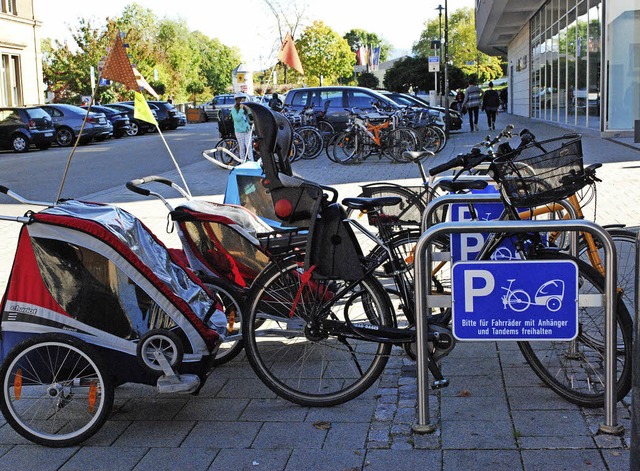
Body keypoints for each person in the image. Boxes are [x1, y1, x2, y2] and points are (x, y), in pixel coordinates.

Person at [230, 92, 254, 161]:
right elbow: (237, 118)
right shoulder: (234, 109)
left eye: (243, 100)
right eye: (241, 100)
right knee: (242, 147)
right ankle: (242, 161)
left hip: (247, 130)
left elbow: (249, 117)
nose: (242, 101)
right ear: (237, 100)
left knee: (249, 146)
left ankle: (251, 160)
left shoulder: (245, 108)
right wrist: (241, 109)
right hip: (239, 131)